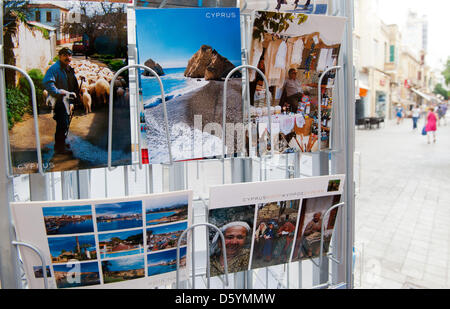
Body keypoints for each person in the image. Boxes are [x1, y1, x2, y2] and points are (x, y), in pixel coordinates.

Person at [43, 48, 80, 154]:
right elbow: (47, 83)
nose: (68, 58)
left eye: (69, 55)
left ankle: (62, 143)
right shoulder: (55, 68)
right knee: (62, 124)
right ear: (60, 56)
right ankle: (59, 148)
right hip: (60, 101)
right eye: (65, 55)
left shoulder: (67, 67)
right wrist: (58, 92)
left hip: (67, 100)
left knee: (65, 123)